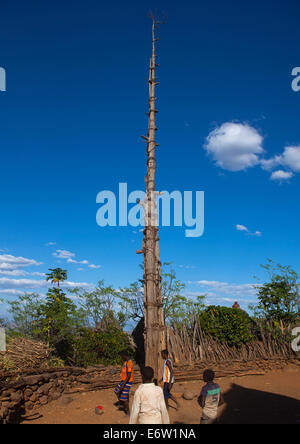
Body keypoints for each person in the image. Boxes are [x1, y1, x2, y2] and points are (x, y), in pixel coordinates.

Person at [114, 350, 134, 415]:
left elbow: (128, 376)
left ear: (124, 356)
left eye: (121, 356)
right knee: (116, 391)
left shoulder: (129, 363)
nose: (121, 358)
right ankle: (122, 404)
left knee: (124, 398)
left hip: (127, 382)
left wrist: (123, 384)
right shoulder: (126, 362)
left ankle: (128, 412)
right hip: (123, 381)